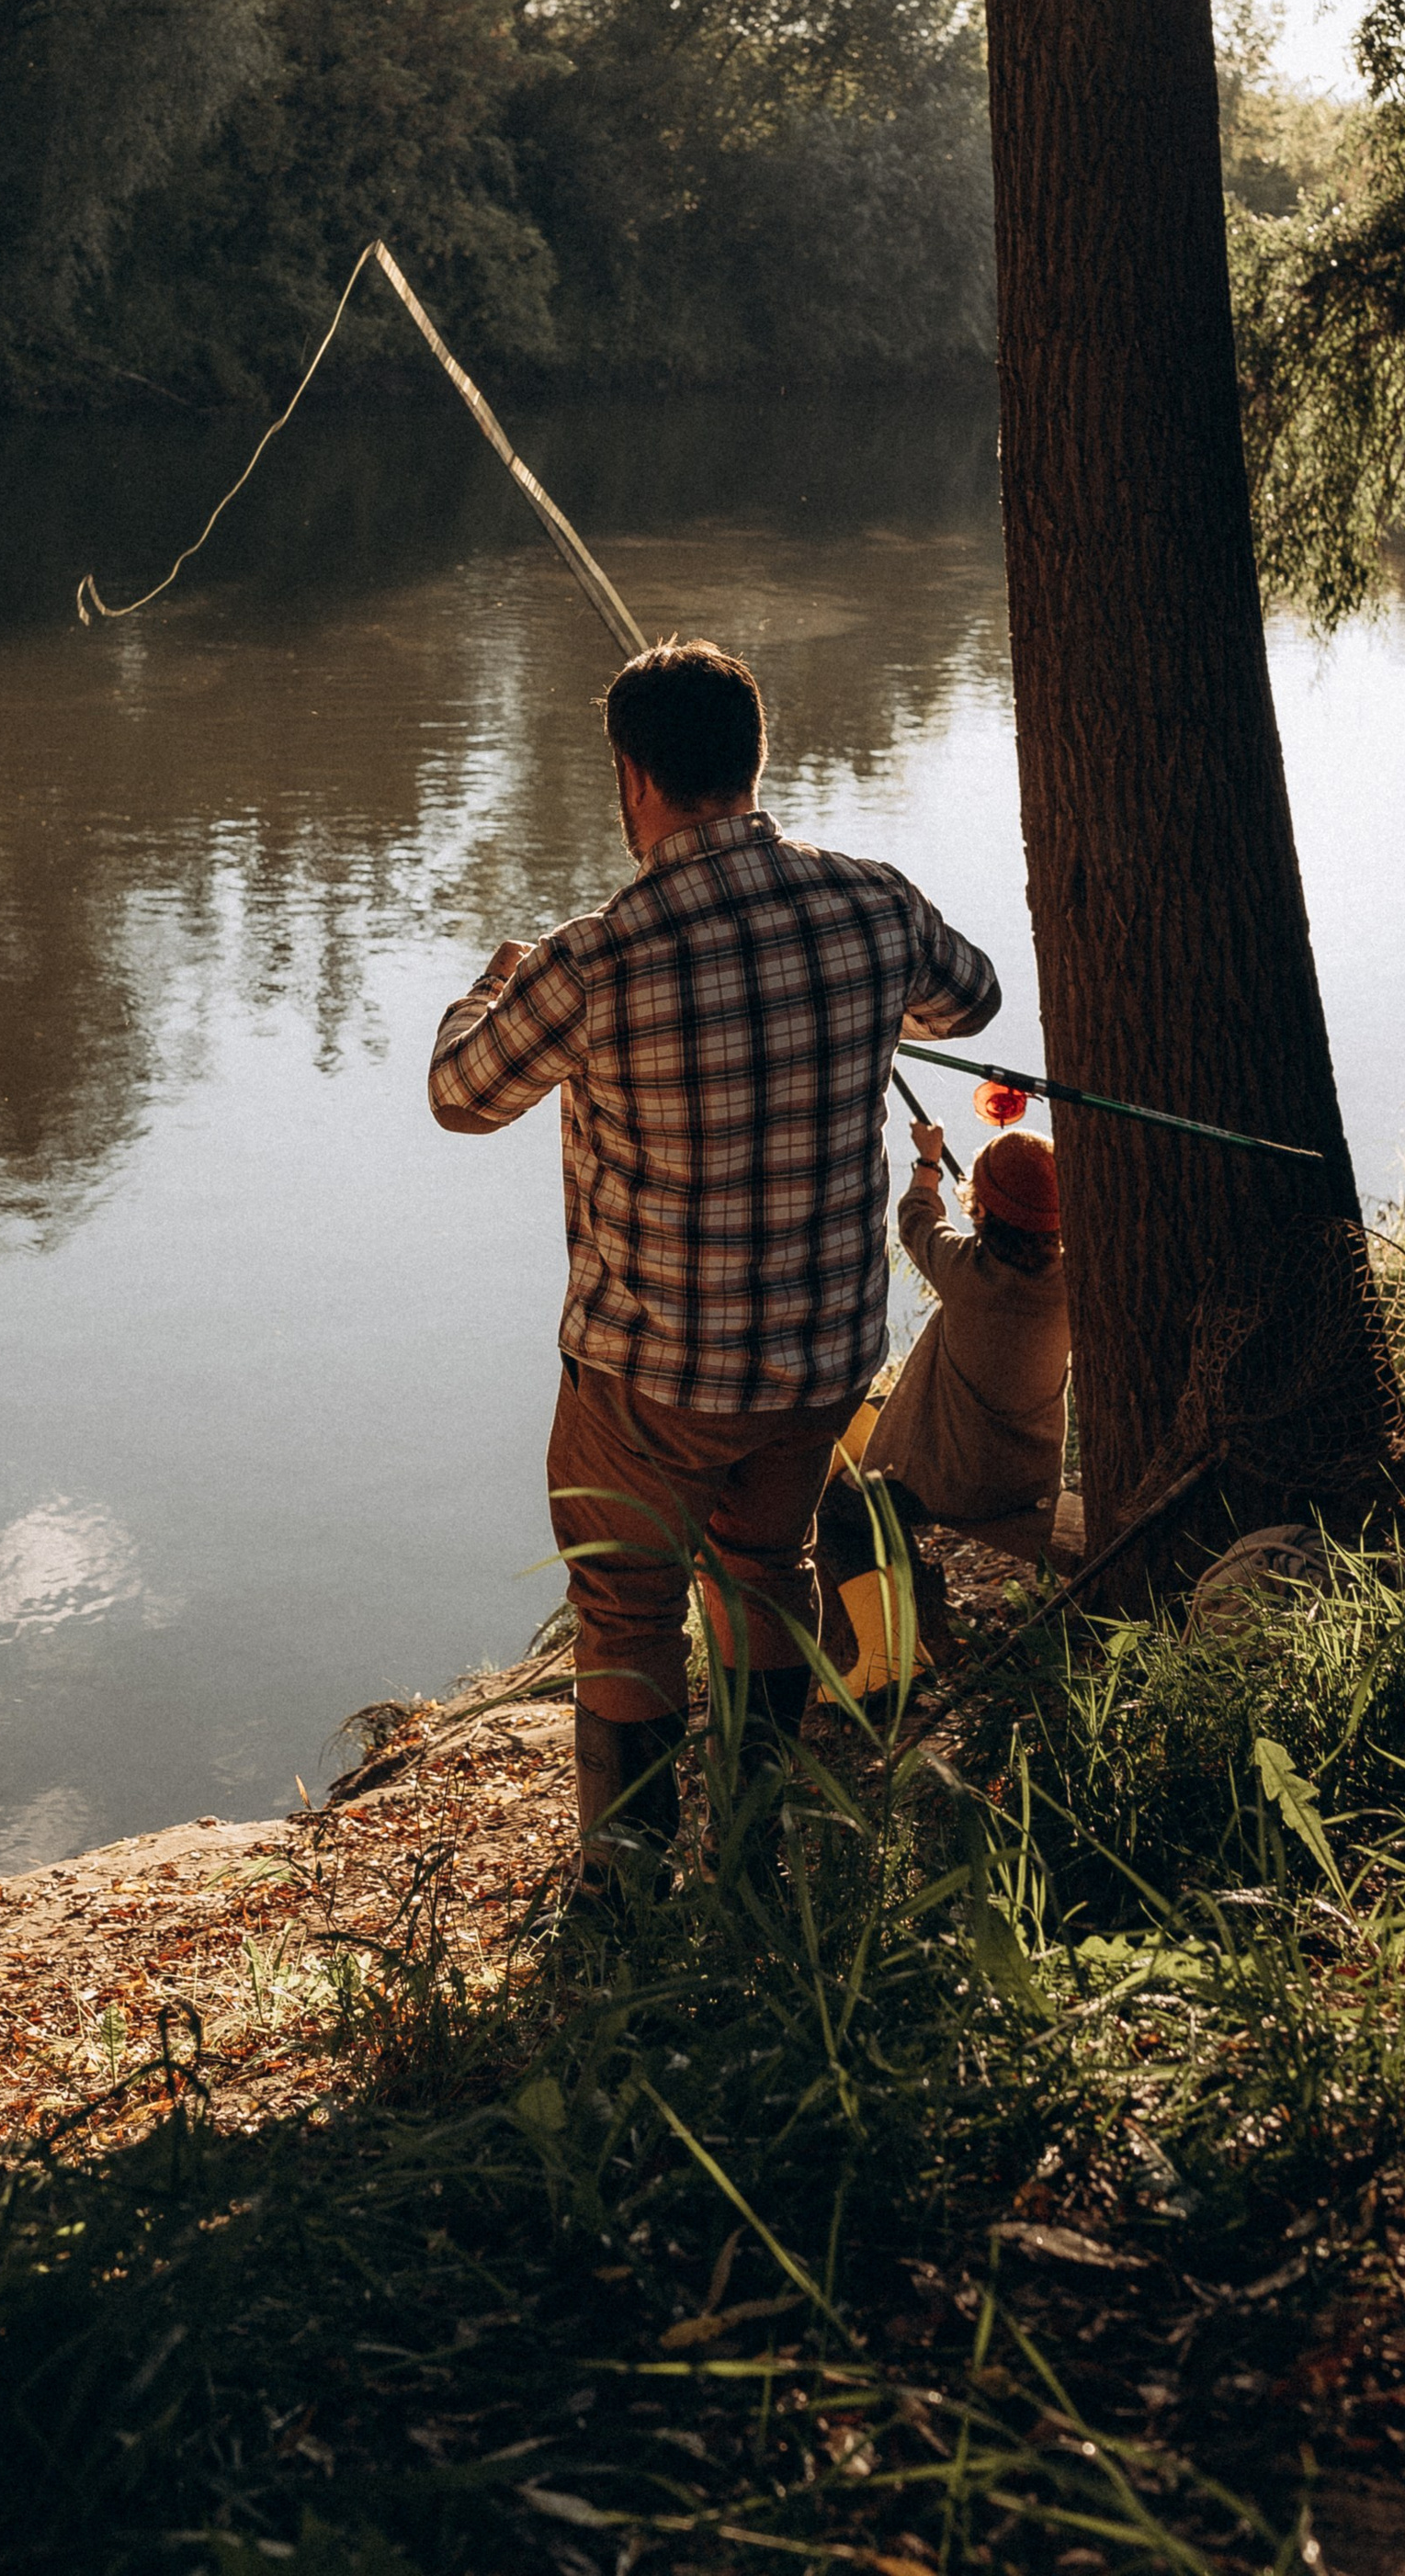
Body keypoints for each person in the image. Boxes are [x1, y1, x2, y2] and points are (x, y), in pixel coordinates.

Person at [425, 638, 999, 1899]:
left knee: (628, 1608)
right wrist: (863, 994)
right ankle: (752, 1855)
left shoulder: (589, 959)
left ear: (631, 778)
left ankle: (625, 1891)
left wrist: (488, 987)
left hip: (650, 1383)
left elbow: (460, 1096)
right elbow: (972, 1003)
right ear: (755, 760)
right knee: (763, 1567)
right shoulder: (873, 904)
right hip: (820, 1364)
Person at [816, 1118, 1082, 1685]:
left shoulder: (965, 1269)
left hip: (954, 1484)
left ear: (980, 1208)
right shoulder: (1073, 1283)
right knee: (871, 1415)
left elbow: (916, 1219)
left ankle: (889, 1662)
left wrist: (928, 1161)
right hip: (1027, 1478)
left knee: (836, 1512)